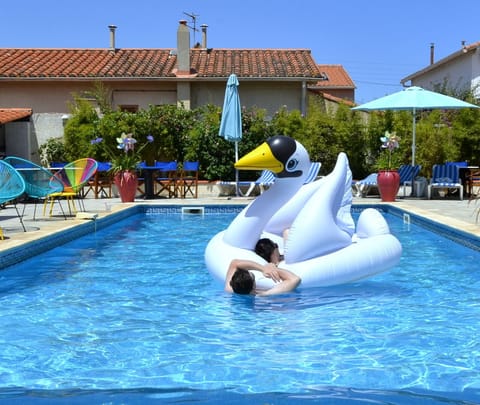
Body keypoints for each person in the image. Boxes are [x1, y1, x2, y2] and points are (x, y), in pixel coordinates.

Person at [224, 259, 301, 296]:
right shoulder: (263, 295)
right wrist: (272, 268)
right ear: (254, 286)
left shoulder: (229, 289)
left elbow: (235, 263)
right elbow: (295, 279)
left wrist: (264, 269)